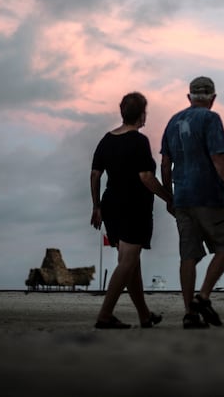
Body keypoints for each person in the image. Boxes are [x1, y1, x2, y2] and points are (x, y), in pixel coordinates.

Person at [160, 76, 224, 329]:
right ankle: (203, 297)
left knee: (188, 255)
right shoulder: (211, 119)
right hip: (209, 195)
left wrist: (169, 196)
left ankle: (189, 314)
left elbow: (165, 163)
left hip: (182, 198)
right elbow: (218, 158)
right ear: (213, 98)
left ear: (189, 97)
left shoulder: (173, 121)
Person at [90, 92, 174, 329]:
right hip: (134, 207)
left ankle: (145, 316)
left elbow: (95, 175)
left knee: (132, 263)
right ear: (142, 115)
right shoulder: (138, 141)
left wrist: (96, 206)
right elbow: (146, 177)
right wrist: (170, 198)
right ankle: (105, 315)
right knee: (127, 262)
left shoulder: (107, 140)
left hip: (111, 206)